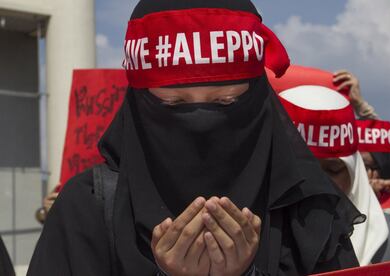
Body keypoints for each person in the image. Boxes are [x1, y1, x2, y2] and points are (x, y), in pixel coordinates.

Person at [28, 1, 362, 275]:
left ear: (259, 102)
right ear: (139, 105)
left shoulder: (307, 214)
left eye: (225, 102)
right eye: (172, 104)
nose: (201, 127)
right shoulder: (86, 211)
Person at [279, 84, 390, 266]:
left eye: (333, 170)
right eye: (302, 171)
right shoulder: (245, 243)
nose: (318, 184)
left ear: (355, 172)